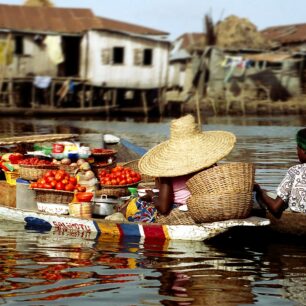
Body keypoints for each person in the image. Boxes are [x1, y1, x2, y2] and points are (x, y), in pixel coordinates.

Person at [122, 114, 236, 223]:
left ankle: (120, 214)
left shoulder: (168, 172)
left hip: (182, 209)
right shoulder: (210, 164)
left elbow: (163, 208)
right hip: (204, 204)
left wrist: (152, 195)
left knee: (137, 204)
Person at [254, 128, 306, 218]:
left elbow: (275, 208)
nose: (297, 152)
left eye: (298, 148)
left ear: (304, 151)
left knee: (259, 196)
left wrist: (259, 190)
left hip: (299, 214)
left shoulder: (295, 171)